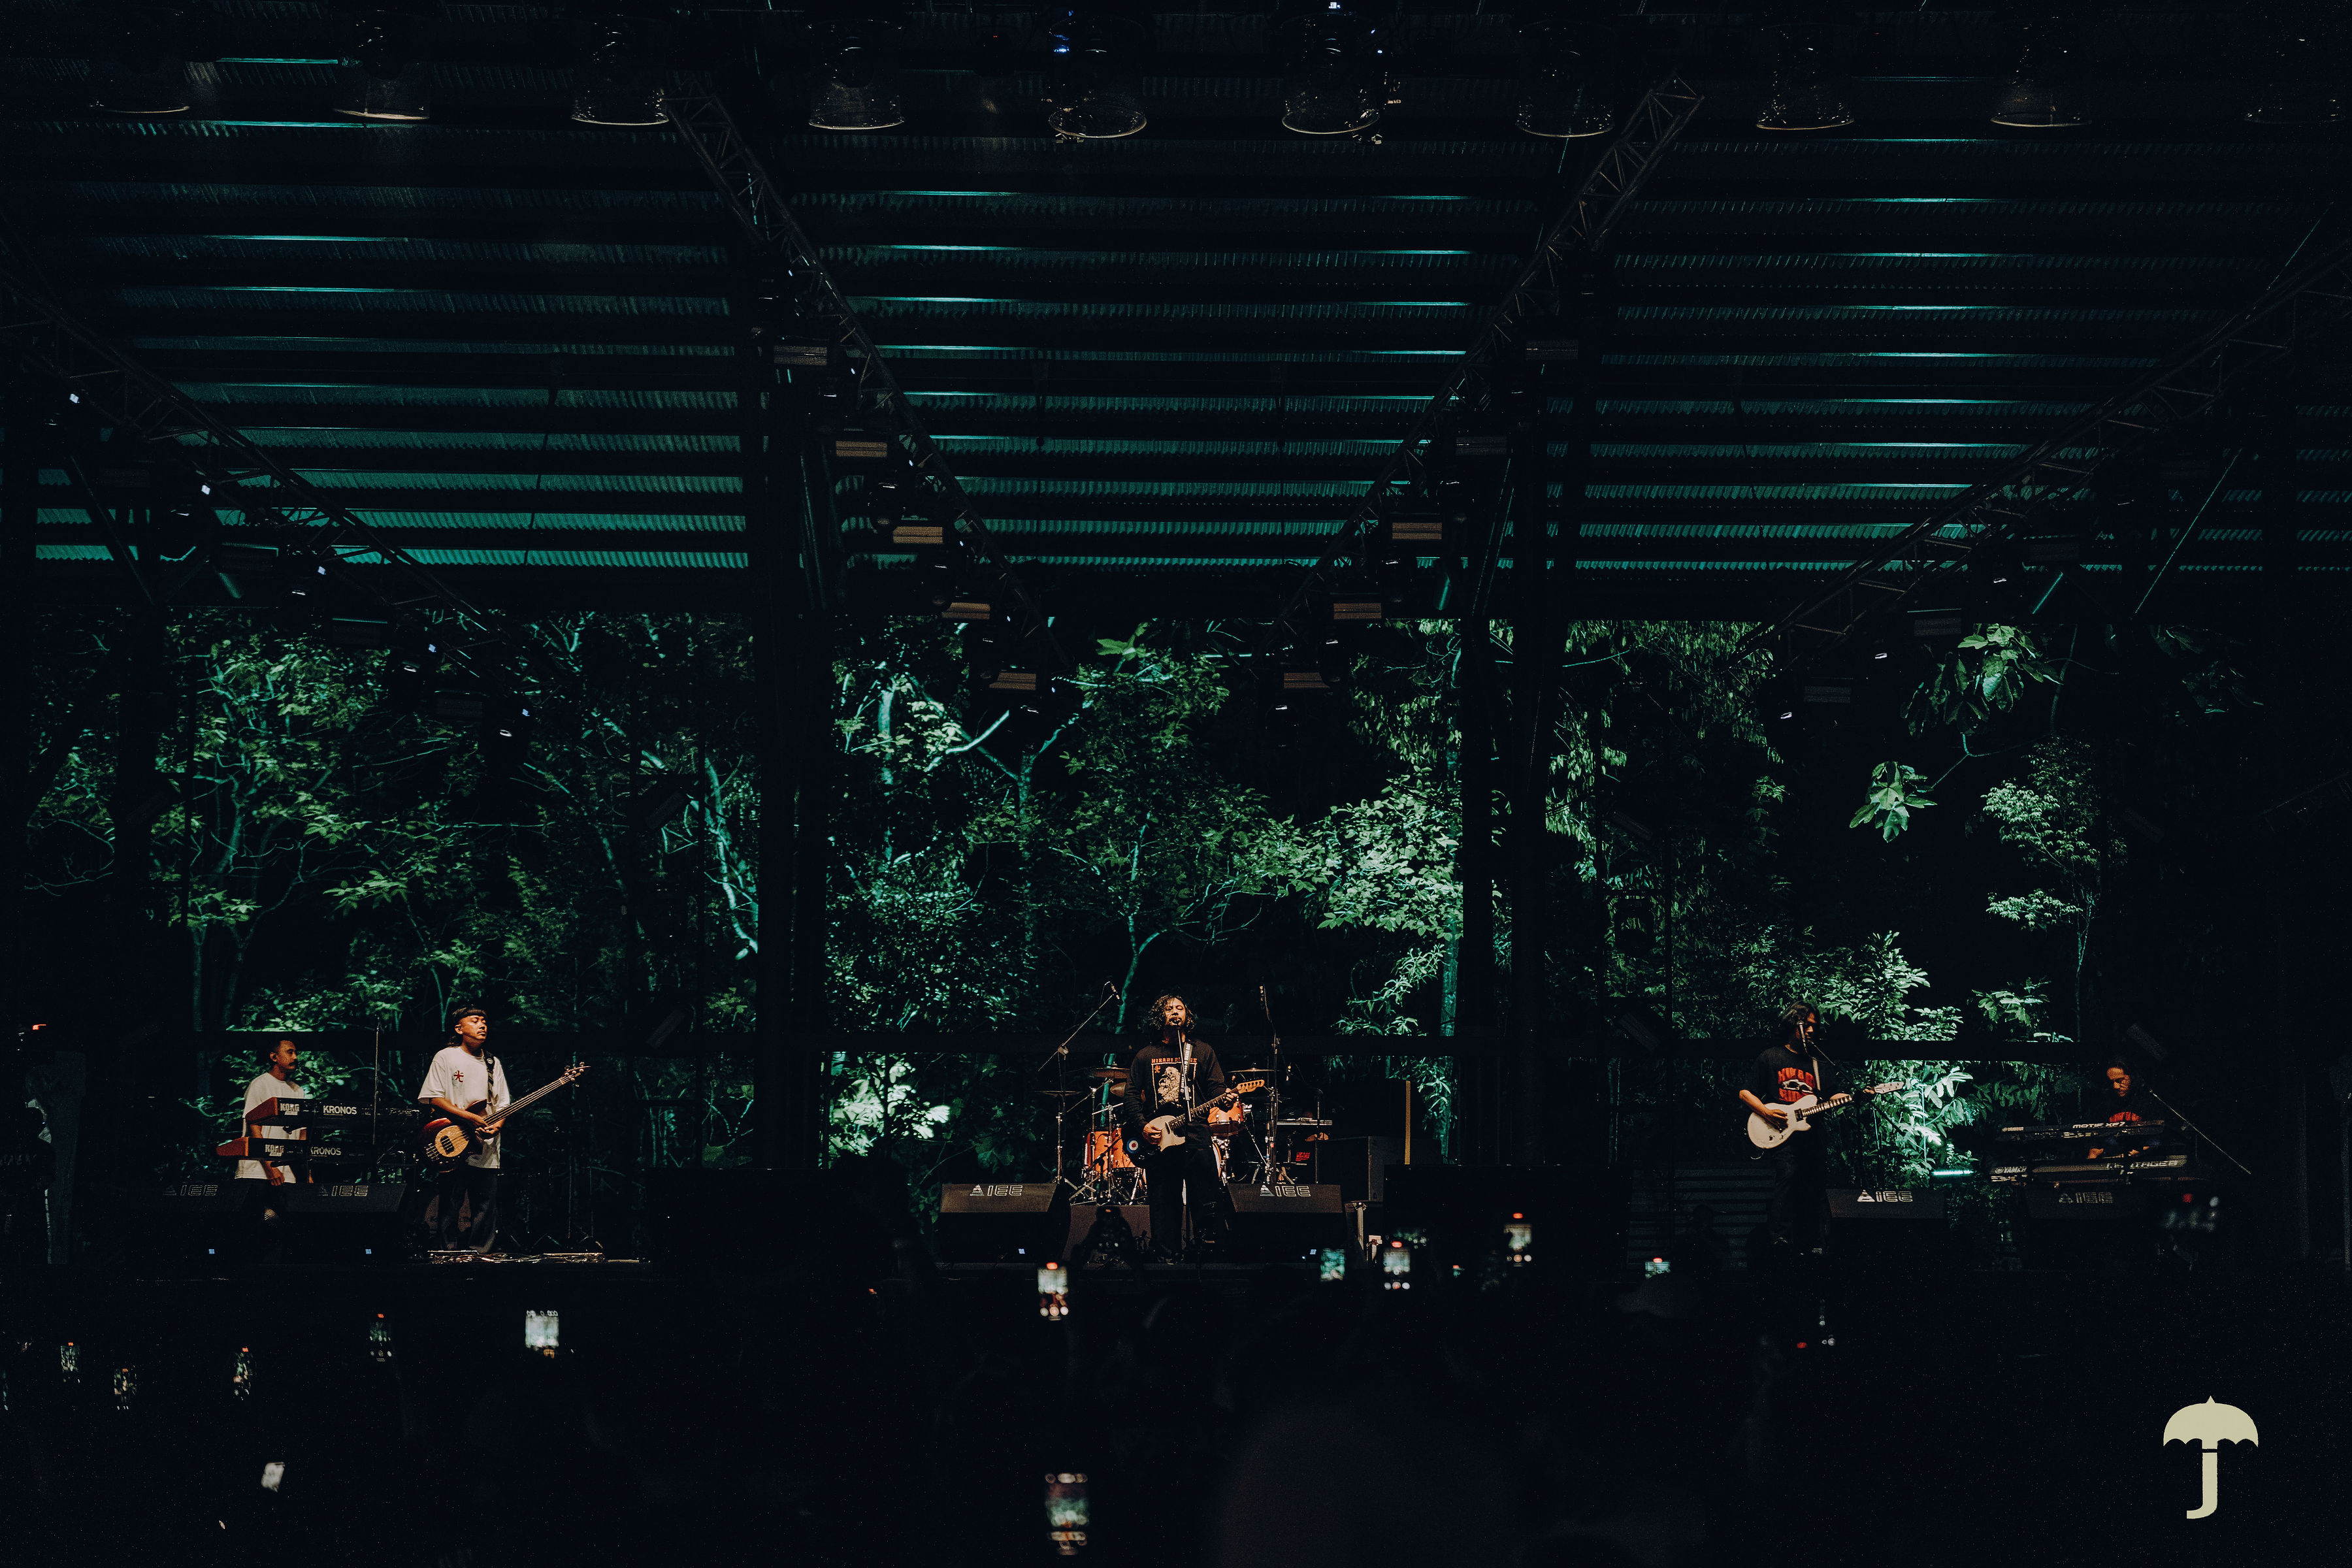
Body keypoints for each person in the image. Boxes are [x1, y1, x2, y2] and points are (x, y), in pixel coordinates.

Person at [1117, 994, 1233, 1262]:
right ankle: (1166, 1258)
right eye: (1169, 1009)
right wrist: (1143, 1126)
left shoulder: (1202, 1051)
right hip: (1161, 1139)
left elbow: (1216, 1088)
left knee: (1206, 1200)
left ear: (1187, 1016)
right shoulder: (1146, 1055)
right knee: (1164, 1202)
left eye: (1180, 1008)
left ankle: (1206, 1255)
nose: (1175, 1012)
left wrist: (1225, 1097)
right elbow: (1131, 1095)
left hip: (1196, 1136)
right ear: (1160, 1017)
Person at [1737, 1002, 1850, 1256]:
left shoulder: (1819, 1064)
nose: (1811, 1030)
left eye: (1814, 1026)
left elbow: (1832, 1095)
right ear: (1792, 1024)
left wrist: (1856, 1096)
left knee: (1814, 1186)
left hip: (1812, 1135)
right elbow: (1745, 1093)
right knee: (1787, 1178)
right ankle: (1779, 1238)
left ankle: (1814, 1242)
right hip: (1782, 1134)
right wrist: (1766, 1112)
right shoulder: (1771, 1057)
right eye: (1806, 1025)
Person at [418, 1004, 510, 1256]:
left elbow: (503, 1104)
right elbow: (434, 1098)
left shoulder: (492, 1062)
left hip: (485, 1143)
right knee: (451, 1199)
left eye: (484, 1021)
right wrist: (469, 1117)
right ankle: (447, 1253)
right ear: (459, 1029)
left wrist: (497, 1126)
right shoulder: (446, 1057)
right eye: (475, 1021)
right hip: (453, 1138)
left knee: (485, 1203)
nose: (482, 1025)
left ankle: (481, 1254)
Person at [236, 1037, 307, 1187]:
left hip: (288, 1174)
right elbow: (254, 1127)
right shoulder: (259, 1084)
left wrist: (305, 1172)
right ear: (274, 1057)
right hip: (257, 1172)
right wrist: (270, 1168)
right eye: (290, 1052)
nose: (295, 1057)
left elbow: (302, 1134)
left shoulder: (298, 1090)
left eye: (296, 1053)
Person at [2084, 1058, 2161, 1161]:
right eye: (2112, 1082)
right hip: (2113, 1156)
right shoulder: (2104, 1103)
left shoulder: (2147, 1101)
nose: (2115, 1086)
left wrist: (2141, 1150)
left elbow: (2157, 1138)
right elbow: (2096, 1138)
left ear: (2132, 1078)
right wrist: (2094, 1152)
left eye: (2120, 1081)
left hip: (2144, 1157)